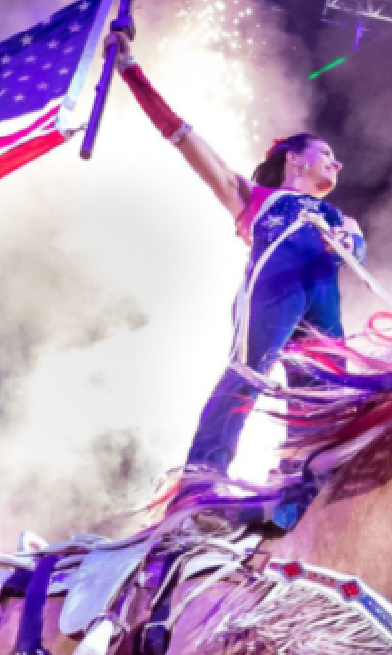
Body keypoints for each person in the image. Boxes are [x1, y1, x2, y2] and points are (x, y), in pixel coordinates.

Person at [108, 31, 366, 484]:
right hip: (274, 290)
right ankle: (202, 476)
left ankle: (300, 484)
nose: (337, 163)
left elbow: (356, 259)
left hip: (322, 299)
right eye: (326, 153)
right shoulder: (257, 198)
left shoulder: (340, 216)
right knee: (248, 373)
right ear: (294, 160)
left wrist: (349, 238)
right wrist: (131, 72)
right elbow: (185, 140)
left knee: (329, 396)